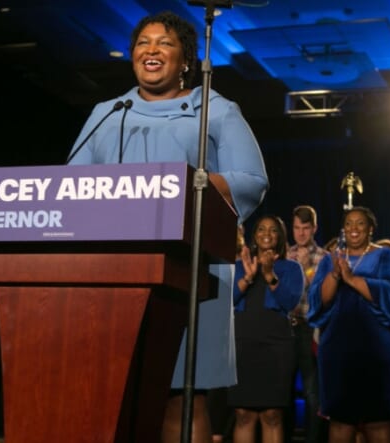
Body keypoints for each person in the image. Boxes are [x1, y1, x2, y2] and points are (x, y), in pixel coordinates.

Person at [65, 11, 269, 443]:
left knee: (181, 396)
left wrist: (184, 184)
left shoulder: (215, 110)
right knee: (114, 390)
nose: (151, 50)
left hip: (191, 271)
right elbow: (69, 190)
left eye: (164, 43)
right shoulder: (107, 113)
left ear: (186, 60)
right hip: (111, 273)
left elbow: (251, 181)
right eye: (143, 42)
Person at [308, 206, 390, 443]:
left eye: (360, 223)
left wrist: (351, 279)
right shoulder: (330, 259)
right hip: (337, 351)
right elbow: (320, 300)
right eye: (349, 224)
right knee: (341, 419)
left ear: (370, 229)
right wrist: (335, 275)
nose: (354, 228)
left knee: (377, 419)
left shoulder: (385, 255)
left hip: (377, 351)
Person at [228, 215, 304, 443]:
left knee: (272, 415)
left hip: (277, 346)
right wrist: (248, 277)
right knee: (243, 414)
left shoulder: (291, 268)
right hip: (242, 344)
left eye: (273, 230)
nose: (267, 234)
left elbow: (290, 302)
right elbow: (227, 299)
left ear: (280, 236)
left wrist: (270, 275)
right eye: (261, 229)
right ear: (254, 236)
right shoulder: (240, 265)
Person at [286, 205, 329, 443]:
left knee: (312, 391)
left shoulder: (324, 257)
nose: (301, 233)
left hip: (310, 328)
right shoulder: (285, 254)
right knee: (284, 389)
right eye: (296, 228)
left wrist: (305, 268)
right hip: (286, 328)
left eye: (305, 228)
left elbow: (323, 294)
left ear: (314, 228)